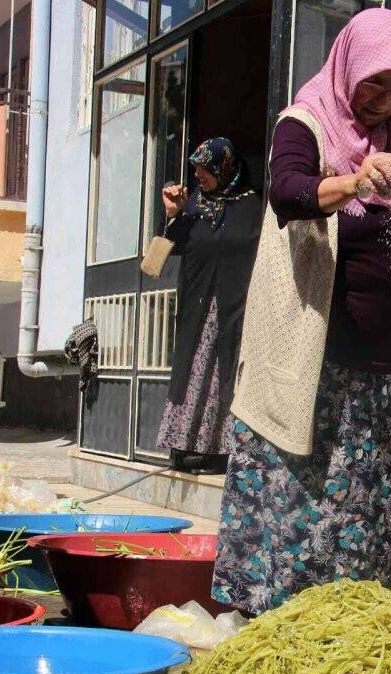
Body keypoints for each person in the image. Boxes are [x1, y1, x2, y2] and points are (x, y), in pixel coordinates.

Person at [212, 8, 391, 613]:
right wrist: (354, 181)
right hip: (317, 364)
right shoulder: (306, 122)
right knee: (305, 506)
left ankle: (360, 624)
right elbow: (289, 194)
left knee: (373, 510)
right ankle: (284, 628)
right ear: (347, 67)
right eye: (374, 81)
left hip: (389, 371)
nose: (384, 98)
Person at [156, 138, 261, 474]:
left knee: (224, 377)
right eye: (196, 167)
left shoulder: (253, 207)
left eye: (205, 167)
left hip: (237, 310)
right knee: (193, 374)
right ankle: (186, 447)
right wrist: (173, 216)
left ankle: (221, 453)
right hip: (198, 312)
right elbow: (161, 256)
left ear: (224, 167)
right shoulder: (195, 205)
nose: (198, 173)